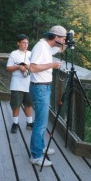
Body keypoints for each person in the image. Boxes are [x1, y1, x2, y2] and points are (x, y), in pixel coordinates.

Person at [29, 25, 67, 167]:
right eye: (62, 38)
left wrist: (68, 40)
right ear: (56, 37)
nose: (63, 41)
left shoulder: (47, 46)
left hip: (44, 87)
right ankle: (36, 155)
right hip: (40, 88)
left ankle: (41, 147)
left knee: (43, 121)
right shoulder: (40, 47)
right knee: (40, 123)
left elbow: (60, 48)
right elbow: (32, 67)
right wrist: (52, 65)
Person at [6, 34, 33, 133]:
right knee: (16, 104)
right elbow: (8, 68)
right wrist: (18, 67)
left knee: (29, 103)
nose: (26, 45)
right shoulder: (14, 54)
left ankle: (29, 123)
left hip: (29, 82)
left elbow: (34, 67)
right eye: (23, 43)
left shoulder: (31, 54)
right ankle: (15, 123)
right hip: (16, 83)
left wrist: (26, 67)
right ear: (18, 43)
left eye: (27, 43)